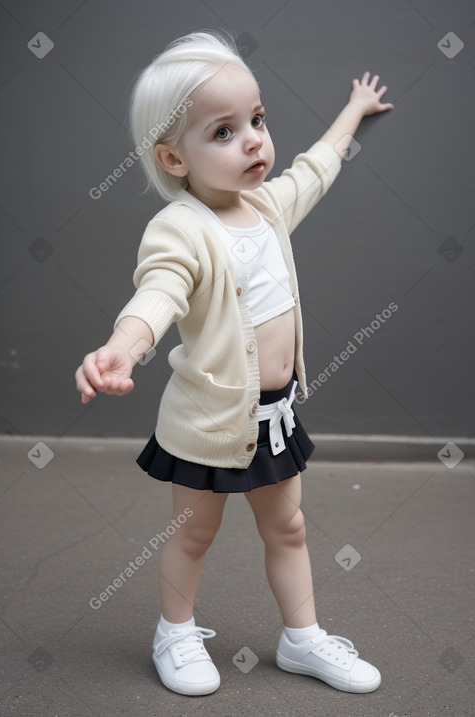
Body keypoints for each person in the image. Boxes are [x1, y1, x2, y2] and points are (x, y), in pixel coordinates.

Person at [75, 29, 393, 697]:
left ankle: (302, 637)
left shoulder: (266, 206)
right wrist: (121, 346)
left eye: (257, 119)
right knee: (194, 534)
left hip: (274, 417)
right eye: (223, 132)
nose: (253, 139)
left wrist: (354, 110)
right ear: (173, 156)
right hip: (208, 421)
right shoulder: (181, 228)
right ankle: (175, 631)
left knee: (290, 525)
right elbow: (156, 294)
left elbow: (316, 165)